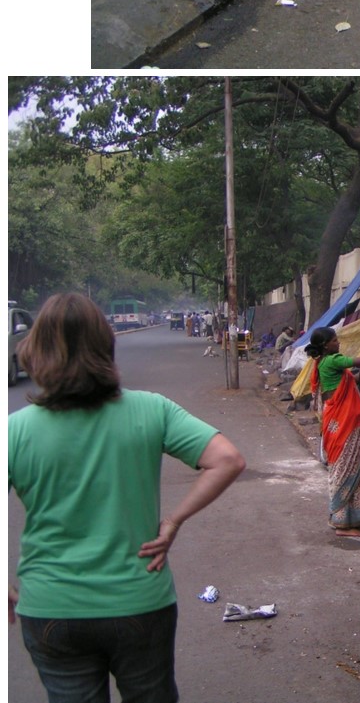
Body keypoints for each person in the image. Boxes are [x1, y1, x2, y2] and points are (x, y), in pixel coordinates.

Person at [8, 293, 246, 703]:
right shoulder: (151, 410)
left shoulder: (14, 430)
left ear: (35, 349)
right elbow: (227, 460)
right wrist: (172, 521)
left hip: (50, 606)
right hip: (139, 600)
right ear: (106, 345)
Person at [305, 324, 360, 536]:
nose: (338, 342)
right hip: (343, 424)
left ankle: (351, 520)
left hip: (348, 423)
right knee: (345, 468)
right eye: (334, 340)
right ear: (326, 346)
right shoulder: (333, 360)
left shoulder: (326, 365)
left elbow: (353, 378)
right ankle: (342, 523)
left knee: (352, 468)